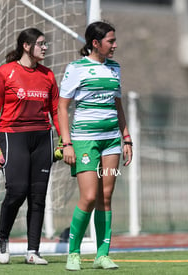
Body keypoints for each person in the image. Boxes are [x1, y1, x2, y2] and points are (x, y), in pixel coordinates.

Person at [58, 21, 133, 271]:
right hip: (84, 142)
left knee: (106, 197)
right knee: (89, 196)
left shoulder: (115, 68)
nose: (114, 45)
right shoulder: (76, 69)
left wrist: (126, 138)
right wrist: (66, 143)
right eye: (110, 41)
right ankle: (74, 253)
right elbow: (62, 107)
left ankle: (102, 255)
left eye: (114, 40)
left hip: (111, 141)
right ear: (95, 43)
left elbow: (118, 105)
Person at [0, 27, 60, 265]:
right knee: (17, 191)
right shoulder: (5, 73)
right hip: (12, 135)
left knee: (37, 196)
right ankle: (2, 238)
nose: (45, 47)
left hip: (42, 138)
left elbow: (56, 111)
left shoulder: (48, 75)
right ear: (26, 46)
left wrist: (64, 141)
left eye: (45, 43)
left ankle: (33, 251)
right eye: (40, 43)